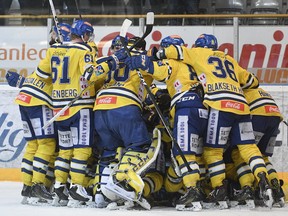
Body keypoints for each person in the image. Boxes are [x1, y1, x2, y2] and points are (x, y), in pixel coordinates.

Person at [134, 33, 274, 208]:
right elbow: (253, 81)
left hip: (203, 107)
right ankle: (262, 178)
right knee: (245, 149)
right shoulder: (228, 58)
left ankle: (196, 189)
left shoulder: (194, 56)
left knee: (198, 152)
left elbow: (157, 67)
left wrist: (145, 59)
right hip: (227, 108)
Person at [126, 35, 207, 210]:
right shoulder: (195, 65)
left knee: (182, 152)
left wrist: (141, 62)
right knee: (196, 153)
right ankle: (191, 188)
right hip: (204, 110)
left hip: (186, 108)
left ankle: (192, 191)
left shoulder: (173, 63)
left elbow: (156, 69)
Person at [5, 22, 72, 204]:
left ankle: (27, 186)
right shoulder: (69, 54)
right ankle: (37, 185)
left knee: (33, 145)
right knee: (47, 143)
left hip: (25, 98)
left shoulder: (52, 52)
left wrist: (22, 81)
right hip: (40, 101)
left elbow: (39, 78)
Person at [92, 36, 161, 209]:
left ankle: (101, 193)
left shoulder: (109, 60)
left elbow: (93, 78)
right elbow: (158, 75)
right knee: (140, 145)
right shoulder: (140, 60)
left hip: (100, 108)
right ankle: (121, 181)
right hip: (124, 107)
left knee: (109, 151)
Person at [243, 87, 285, 207]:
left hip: (258, 115)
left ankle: (253, 188)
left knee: (248, 153)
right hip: (275, 116)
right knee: (264, 157)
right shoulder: (261, 90)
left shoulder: (241, 90)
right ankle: (275, 185)